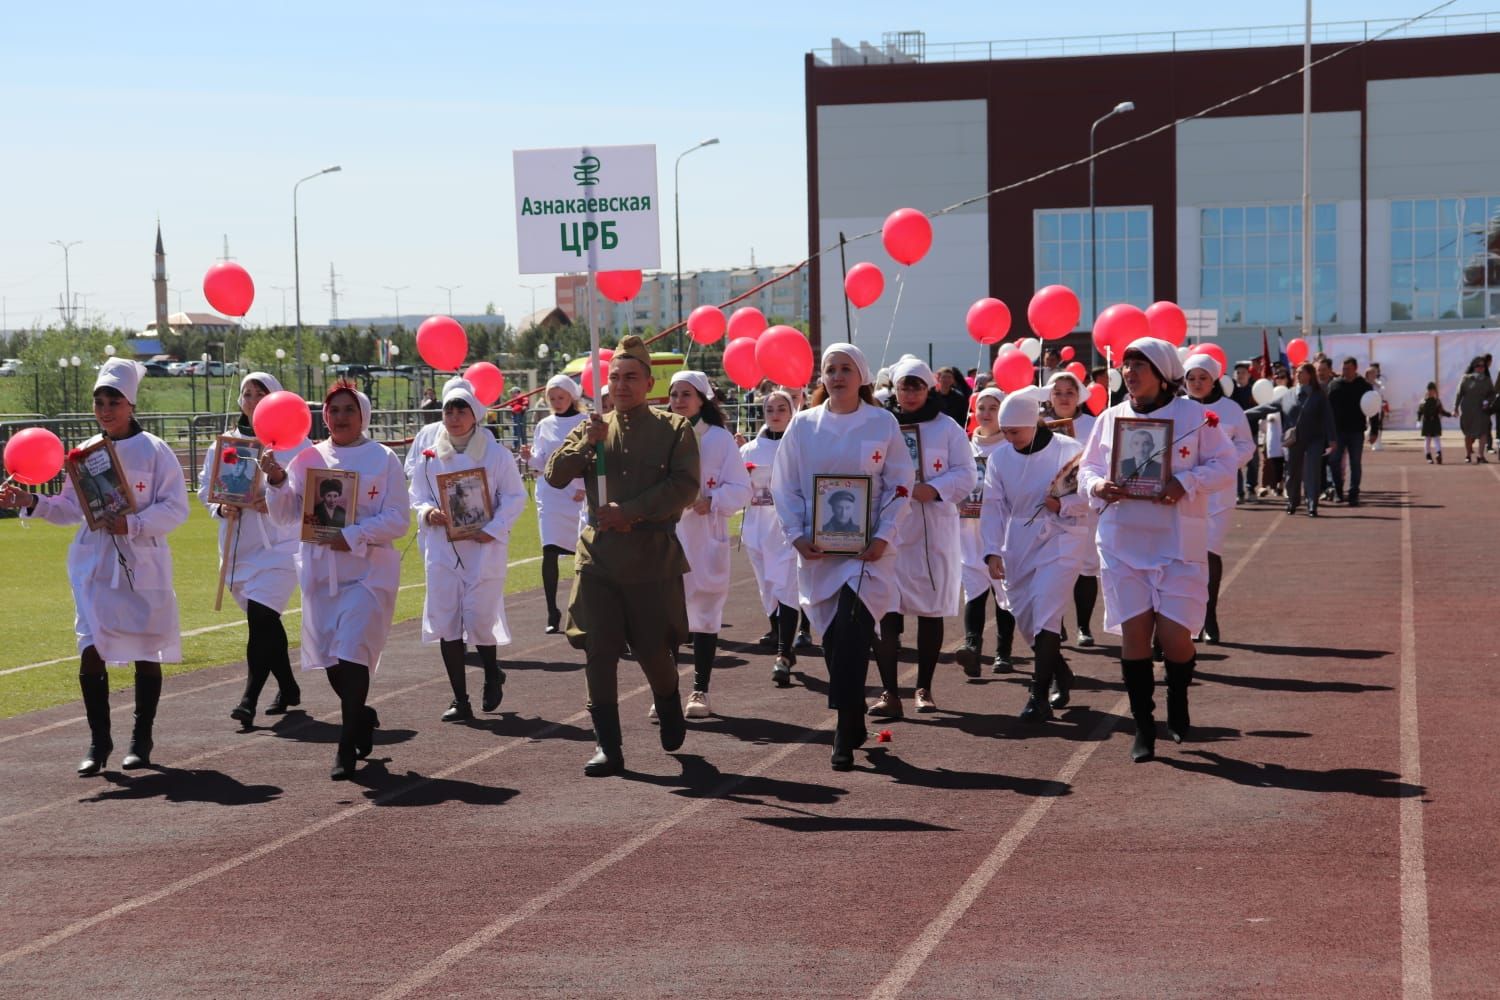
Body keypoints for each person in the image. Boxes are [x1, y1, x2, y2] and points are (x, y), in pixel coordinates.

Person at [0, 359, 189, 775]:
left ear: (131, 405)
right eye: (99, 401)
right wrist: (31, 502)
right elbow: (72, 509)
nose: (105, 409)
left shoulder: (156, 452)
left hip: (142, 564)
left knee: (146, 650)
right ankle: (99, 740)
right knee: (90, 651)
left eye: (114, 401)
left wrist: (133, 523)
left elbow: (177, 508)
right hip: (94, 564)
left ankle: (141, 739)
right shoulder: (84, 454)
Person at [544, 336, 699, 777]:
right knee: (599, 648)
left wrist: (630, 511)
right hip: (599, 558)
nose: (622, 384)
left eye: (631, 377)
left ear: (649, 382)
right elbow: (554, 476)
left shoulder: (674, 428)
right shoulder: (593, 425)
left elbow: (684, 487)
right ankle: (607, 746)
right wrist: (583, 444)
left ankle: (668, 699)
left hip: (651, 556)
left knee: (653, 651)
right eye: (615, 377)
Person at [1077, 339, 1237, 763]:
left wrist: (1186, 482)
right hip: (1122, 541)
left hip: (1176, 543)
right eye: (1126, 365)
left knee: (1173, 638)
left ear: (1162, 371)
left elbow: (1227, 463)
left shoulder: (1194, 416)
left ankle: (1179, 698)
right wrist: (1097, 485)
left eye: (1139, 365)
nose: (1129, 372)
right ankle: (1144, 727)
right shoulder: (1111, 417)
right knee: (1135, 637)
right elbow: (1088, 467)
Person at [771, 342, 915, 770]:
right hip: (818, 554)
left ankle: (840, 731)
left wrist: (884, 535)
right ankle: (853, 716)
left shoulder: (882, 423)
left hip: (869, 554)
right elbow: (785, 486)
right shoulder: (803, 426)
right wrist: (796, 535)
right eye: (830, 369)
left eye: (846, 368)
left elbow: (900, 484)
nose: (837, 376)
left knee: (854, 628)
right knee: (833, 641)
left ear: (863, 376)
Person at [262, 382, 411, 780]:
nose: (340, 417)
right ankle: (360, 715)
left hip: (367, 572)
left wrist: (354, 535)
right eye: (333, 411)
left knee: (353, 651)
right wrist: (276, 481)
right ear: (323, 416)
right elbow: (286, 516)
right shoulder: (307, 457)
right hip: (320, 572)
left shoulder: (382, 459)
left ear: (363, 414)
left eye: (348, 409)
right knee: (331, 661)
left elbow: (398, 518)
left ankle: (345, 746)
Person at [409, 382, 527, 721]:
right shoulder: (429, 456)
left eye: (461, 410)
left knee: (479, 617)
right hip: (443, 548)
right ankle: (460, 698)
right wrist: (427, 513)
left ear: (475, 414)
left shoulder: (496, 455)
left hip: (482, 549)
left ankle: (492, 672)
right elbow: (417, 494)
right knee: (446, 620)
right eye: (449, 410)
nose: (455, 417)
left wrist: (493, 529)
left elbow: (515, 497)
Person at [867, 358, 977, 717]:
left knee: (929, 610)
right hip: (890, 528)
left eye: (916, 386)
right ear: (895, 389)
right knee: (886, 610)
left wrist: (935, 488)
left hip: (931, 528)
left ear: (928, 388)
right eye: (904, 386)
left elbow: (967, 472)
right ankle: (888, 691)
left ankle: (924, 687)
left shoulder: (947, 428)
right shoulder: (880, 425)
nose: (910, 392)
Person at [200, 372, 309, 728]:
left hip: (280, 544)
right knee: (265, 622)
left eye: (260, 393)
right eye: (247, 393)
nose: (252, 399)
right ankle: (289, 686)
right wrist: (221, 507)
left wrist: (276, 498)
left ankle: (248, 700)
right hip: (237, 546)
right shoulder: (225, 444)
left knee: (261, 618)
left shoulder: (296, 444)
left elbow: (308, 490)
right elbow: (206, 488)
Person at [981, 386, 1089, 722]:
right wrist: (990, 551)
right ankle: (1060, 670)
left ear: (1034, 423)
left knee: (1046, 611)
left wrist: (1065, 505)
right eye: (1005, 431)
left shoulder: (1069, 450)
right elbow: (993, 508)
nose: (1008, 437)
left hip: (1062, 539)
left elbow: (1087, 495)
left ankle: (1037, 695)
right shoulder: (999, 457)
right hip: (1019, 541)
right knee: (1025, 616)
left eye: (1014, 431)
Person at [665, 370, 750, 719]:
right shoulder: (660, 436)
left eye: (686, 394)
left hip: (704, 536)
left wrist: (712, 500)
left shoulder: (719, 439)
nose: (679, 401)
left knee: (703, 613)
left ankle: (700, 689)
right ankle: (666, 690)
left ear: (703, 398)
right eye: (674, 394)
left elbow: (742, 488)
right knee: (666, 616)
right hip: (666, 536)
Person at [1183, 354, 1255, 644]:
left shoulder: (1231, 408)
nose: (1197, 384)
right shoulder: (1178, 408)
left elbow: (1246, 445)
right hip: (1183, 492)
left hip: (1218, 494)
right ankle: (1189, 620)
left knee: (1210, 553)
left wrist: (1223, 467)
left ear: (1214, 380)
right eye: (1191, 378)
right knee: (1185, 558)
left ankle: (1209, 616)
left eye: (1203, 378)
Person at [741, 389, 801, 686]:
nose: (775, 414)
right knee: (768, 586)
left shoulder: (799, 446)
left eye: (782, 409)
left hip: (787, 530)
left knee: (787, 585)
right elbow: (737, 486)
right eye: (770, 409)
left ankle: (784, 652)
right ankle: (778, 631)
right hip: (756, 529)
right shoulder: (749, 450)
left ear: (792, 412)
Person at [521, 375, 588, 634]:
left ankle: (581, 608)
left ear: (572, 397)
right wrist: (529, 458)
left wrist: (582, 488)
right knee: (549, 550)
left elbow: (588, 457)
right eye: (552, 398)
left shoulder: (583, 422)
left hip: (577, 495)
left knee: (582, 554)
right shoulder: (544, 425)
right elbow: (541, 462)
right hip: (550, 493)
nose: (557, 402)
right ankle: (552, 610)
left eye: (561, 397)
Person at [956, 388, 1016, 673]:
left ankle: (1003, 652)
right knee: (974, 592)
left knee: (1003, 595)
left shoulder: (1011, 449)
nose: (986, 413)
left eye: (993, 407)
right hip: (969, 532)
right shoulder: (964, 448)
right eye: (982, 407)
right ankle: (972, 648)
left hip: (1002, 533)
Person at [1045, 370, 1100, 647]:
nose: (1064, 397)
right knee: (1052, 567)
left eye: (1070, 392)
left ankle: (1083, 626)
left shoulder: (1095, 423)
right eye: (1058, 392)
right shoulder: (1039, 425)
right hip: (1048, 508)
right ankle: (1057, 623)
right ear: (1049, 396)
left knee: (1086, 566)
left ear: (1079, 396)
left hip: (1084, 506)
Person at [1252, 363, 1334, 516]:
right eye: (1296, 372)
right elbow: (1268, 407)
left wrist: (1332, 439)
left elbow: (1328, 417)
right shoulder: (1288, 395)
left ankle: (1311, 504)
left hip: (1315, 439)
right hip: (1294, 439)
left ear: (1310, 375)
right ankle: (1292, 501)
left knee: (1312, 471)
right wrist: (1243, 413)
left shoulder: (1319, 395)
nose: (1297, 375)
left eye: (1301, 372)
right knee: (1292, 472)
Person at [1325, 357, 1372, 506]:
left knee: (1355, 463)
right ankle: (1338, 491)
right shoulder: (1334, 385)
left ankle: (1354, 493)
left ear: (1355, 368)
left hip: (1356, 431)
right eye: (1344, 368)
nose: (1345, 371)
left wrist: (1375, 429)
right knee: (1334, 461)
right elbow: (1327, 409)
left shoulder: (1364, 386)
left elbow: (1373, 408)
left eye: (1349, 368)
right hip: (1338, 431)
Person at [1454, 356, 1493, 464]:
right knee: (1468, 434)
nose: (1481, 368)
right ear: (1473, 367)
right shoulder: (1466, 379)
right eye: (1478, 366)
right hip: (1468, 411)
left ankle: (1481, 456)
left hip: (1482, 410)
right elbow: (1459, 394)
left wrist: (1487, 401)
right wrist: (1455, 408)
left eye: (1483, 366)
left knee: (1483, 433)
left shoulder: (1487, 380)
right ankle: (1467, 455)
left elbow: (1492, 394)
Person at [1418, 383, 1452, 464]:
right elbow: (1419, 412)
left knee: (1437, 439)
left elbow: (1442, 411)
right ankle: (1428, 456)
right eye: (1429, 390)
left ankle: (1438, 454)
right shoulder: (1423, 401)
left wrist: (1451, 414)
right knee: (1427, 440)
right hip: (1427, 422)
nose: (1431, 392)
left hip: (1435, 421)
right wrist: (1418, 421)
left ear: (1435, 391)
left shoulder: (1437, 401)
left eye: (1432, 390)